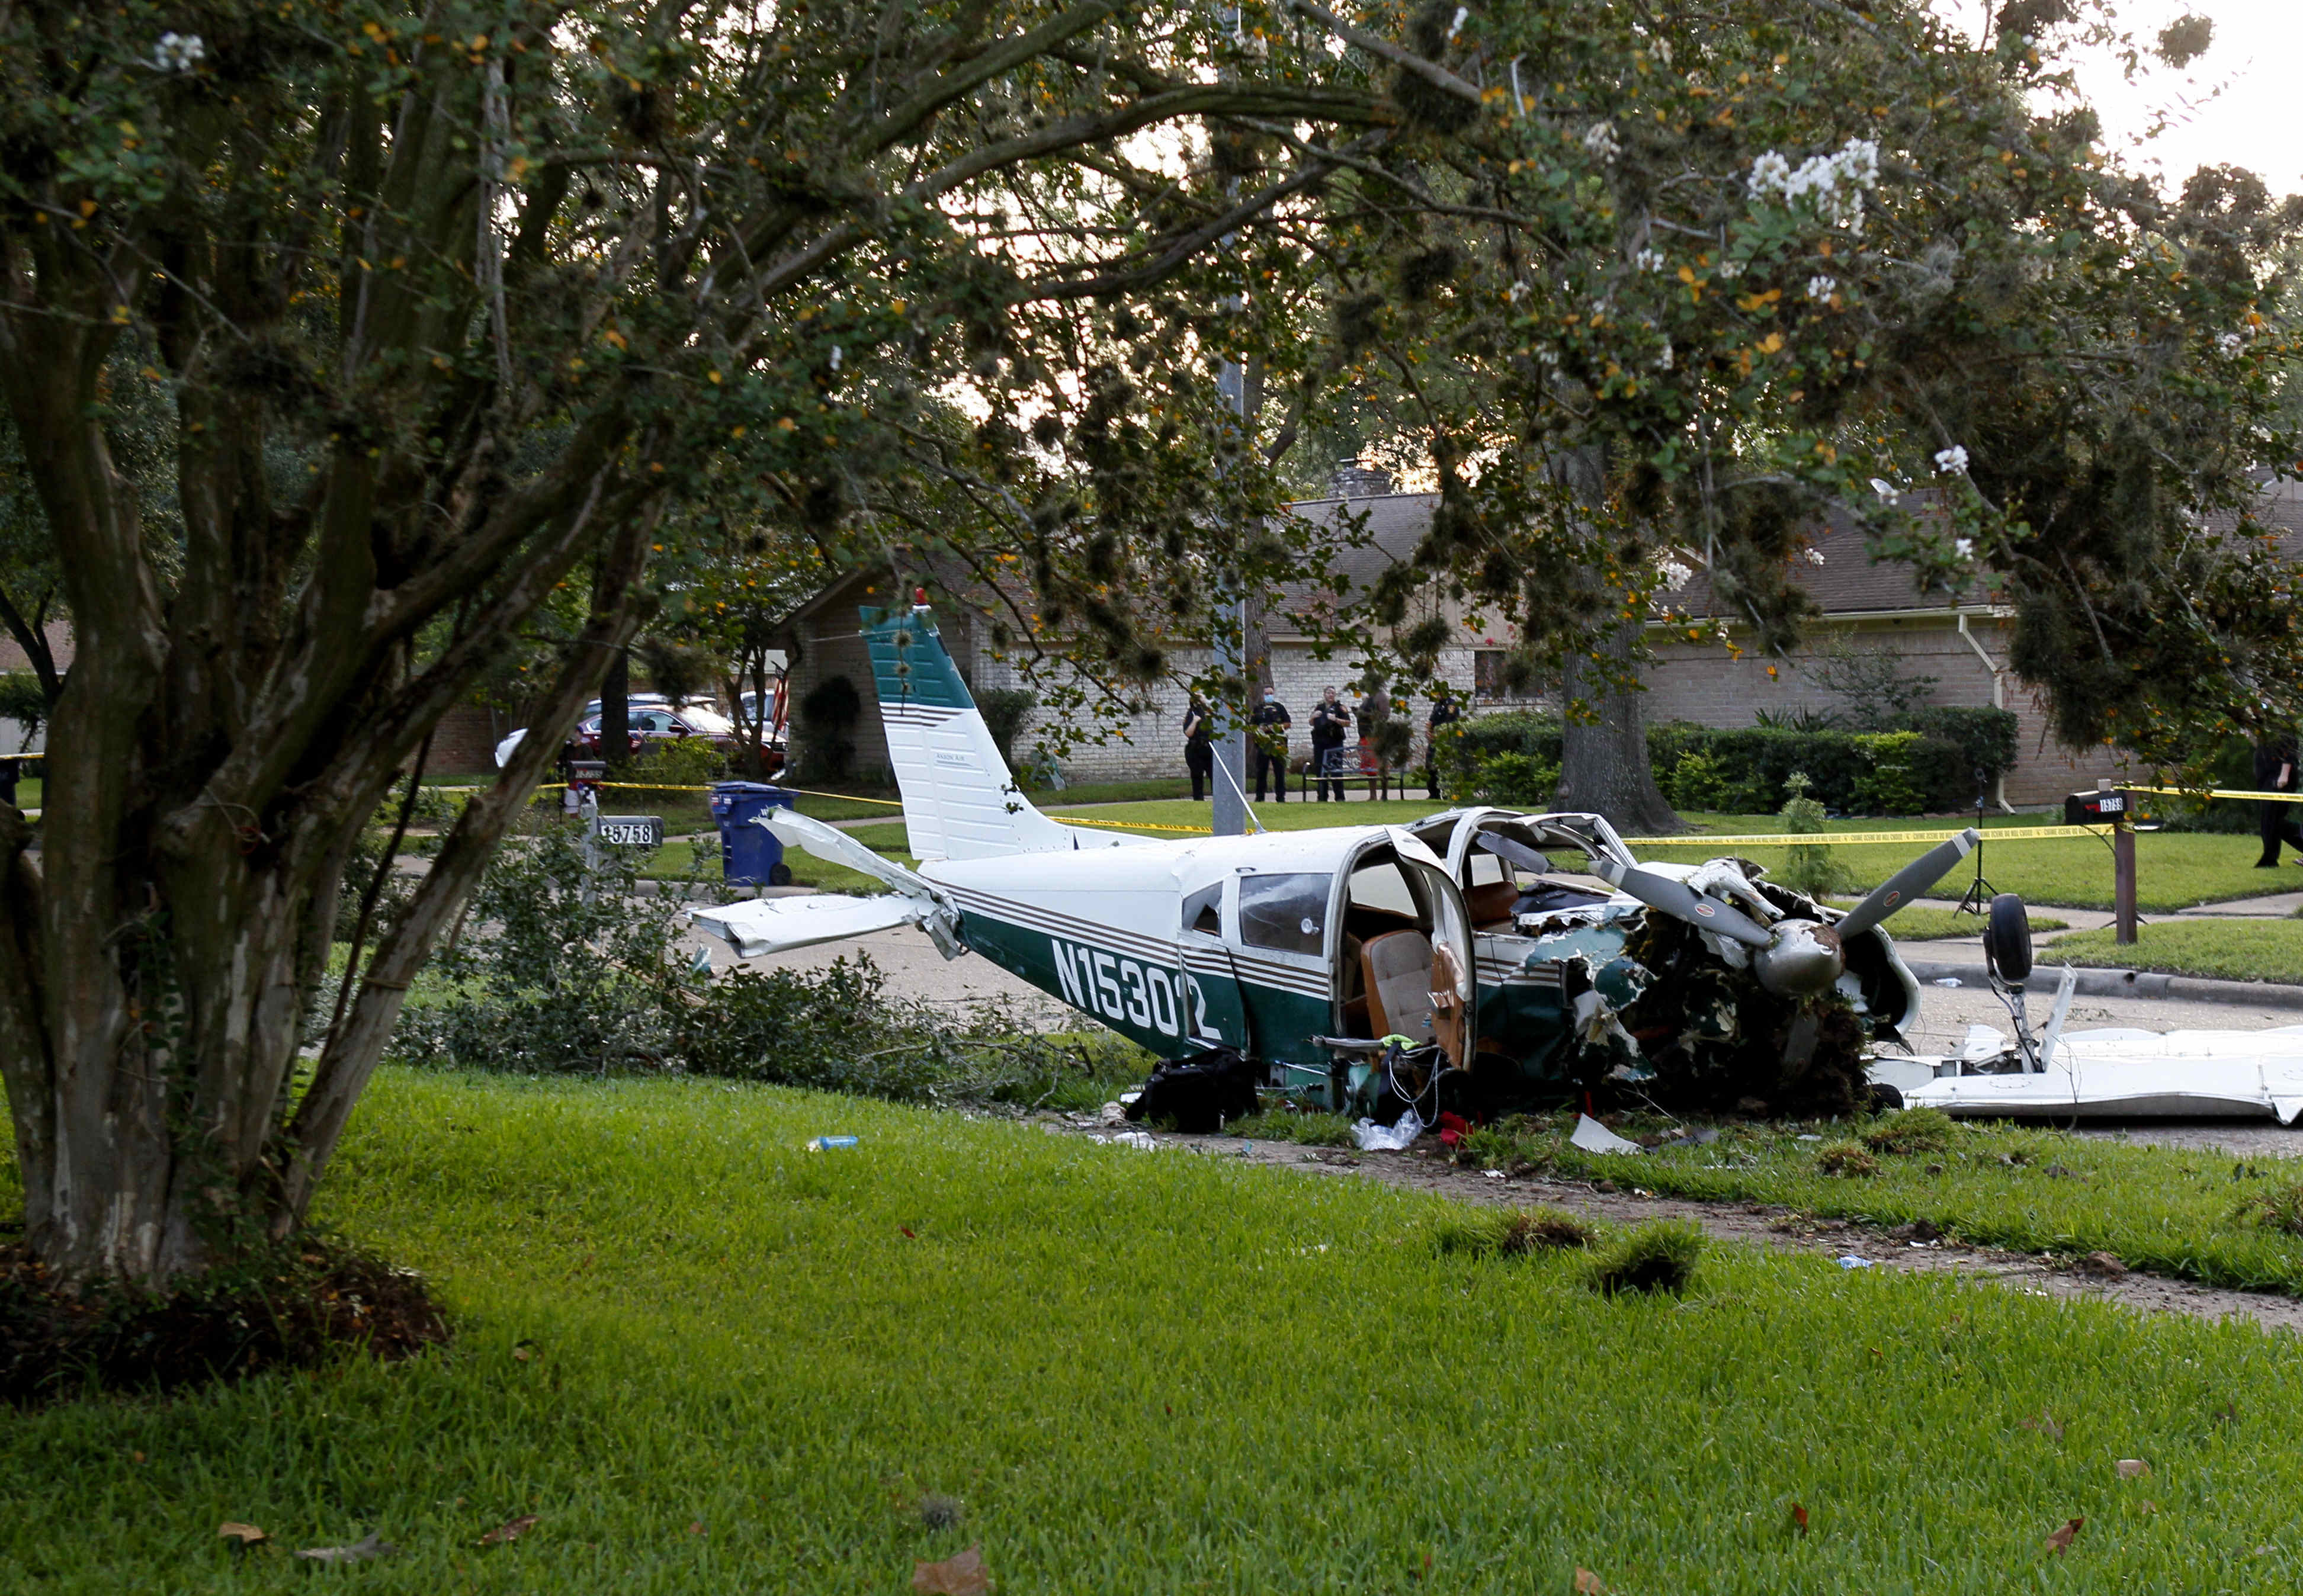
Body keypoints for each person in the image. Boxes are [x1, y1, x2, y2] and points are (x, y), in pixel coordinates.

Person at [2256, 730, 2303, 866]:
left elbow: (2290, 751)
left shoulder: (2281, 721)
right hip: (2267, 777)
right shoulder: (2264, 722)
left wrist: (2284, 775)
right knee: (2273, 822)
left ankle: (2269, 860)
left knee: (2272, 820)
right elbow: (2263, 748)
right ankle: (2270, 859)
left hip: (2278, 779)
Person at [1250, 686, 1292, 802]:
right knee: (1261, 771)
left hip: (1278, 743)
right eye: (1266, 693)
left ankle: (1281, 797)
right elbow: (1251, 726)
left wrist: (1277, 727)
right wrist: (1260, 729)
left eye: (1271, 693)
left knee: (1279, 772)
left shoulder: (1279, 707)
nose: (1269, 695)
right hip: (1264, 743)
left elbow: (1288, 723)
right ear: (1263, 695)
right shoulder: (1258, 709)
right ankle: (1260, 797)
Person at [1308, 686, 1349, 801]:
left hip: (1335, 743)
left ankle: (1340, 797)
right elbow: (1311, 723)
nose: (1330, 695)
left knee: (1336, 770)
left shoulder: (1340, 708)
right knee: (1320, 769)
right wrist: (1312, 717)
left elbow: (1348, 723)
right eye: (1328, 693)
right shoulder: (1319, 707)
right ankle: (1322, 796)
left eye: (1333, 693)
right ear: (1324, 694)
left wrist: (1336, 719)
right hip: (1320, 743)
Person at [1426, 686, 1462, 799]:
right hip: (1434, 741)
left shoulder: (1451, 705)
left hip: (1445, 741)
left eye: (1439, 693)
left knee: (1446, 767)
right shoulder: (1437, 705)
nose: (1438, 695)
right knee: (1430, 766)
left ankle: (1447, 792)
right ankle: (1434, 793)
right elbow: (1431, 721)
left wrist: (1441, 735)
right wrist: (1429, 733)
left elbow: (1451, 723)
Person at [1182, 696, 1213, 801]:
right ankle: (1198, 801)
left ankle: (1219, 801)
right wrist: (1195, 722)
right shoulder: (1192, 714)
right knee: (1197, 777)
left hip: (1210, 749)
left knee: (1215, 777)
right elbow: (1188, 733)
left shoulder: (1211, 713)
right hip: (1196, 750)